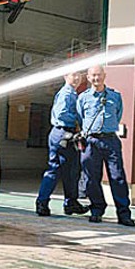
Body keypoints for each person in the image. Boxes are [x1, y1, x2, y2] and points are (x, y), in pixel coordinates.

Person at [76, 65, 135, 226]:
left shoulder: (115, 96)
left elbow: (118, 114)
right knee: (91, 178)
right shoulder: (83, 98)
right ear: (88, 78)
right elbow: (81, 118)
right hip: (91, 141)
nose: (96, 78)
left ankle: (123, 214)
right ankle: (97, 209)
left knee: (117, 177)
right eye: (93, 75)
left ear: (104, 76)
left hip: (110, 140)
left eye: (99, 75)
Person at [35, 71, 89, 217]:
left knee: (64, 170)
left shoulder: (70, 93)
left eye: (79, 75)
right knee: (64, 170)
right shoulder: (67, 93)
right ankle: (54, 202)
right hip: (64, 133)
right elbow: (62, 114)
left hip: (59, 133)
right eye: (74, 75)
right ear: (65, 76)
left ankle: (64, 202)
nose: (77, 78)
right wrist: (81, 120)